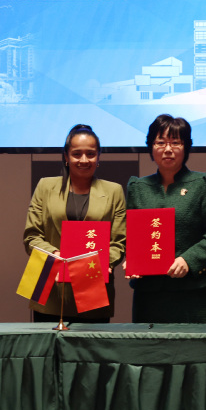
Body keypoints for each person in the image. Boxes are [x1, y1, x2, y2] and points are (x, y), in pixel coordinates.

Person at [125, 114, 206, 323]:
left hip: (193, 291)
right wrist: (132, 260)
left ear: (186, 147)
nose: (168, 149)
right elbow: (131, 234)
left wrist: (188, 260)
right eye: (160, 142)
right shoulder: (138, 187)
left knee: (196, 344)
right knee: (148, 344)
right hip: (149, 293)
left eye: (176, 142)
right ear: (150, 147)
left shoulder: (202, 182)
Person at [23, 124, 126, 322]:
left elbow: (118, 242)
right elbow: (31, 236)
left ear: (99, 157)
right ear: (66, 156)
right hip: (49, 287)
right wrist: (56, 256)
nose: (84, 160)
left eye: (91, 154)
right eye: (77, 154)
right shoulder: (45, 186)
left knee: (91, 342)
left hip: (93, 286)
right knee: (47, 342)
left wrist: (104, 262)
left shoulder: (114, 191)